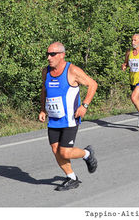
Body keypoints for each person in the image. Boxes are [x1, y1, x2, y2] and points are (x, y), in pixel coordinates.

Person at [39, 42, 98, 191]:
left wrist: (84, 105)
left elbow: (93, 84)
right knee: (55, 150)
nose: (48, 57)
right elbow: (44, 91)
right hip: (53, 118)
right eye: (47, 54)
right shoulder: (45, 71)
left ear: (62, 55)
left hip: (70, 118)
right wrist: (43, 110)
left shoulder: (72, 70)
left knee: (64, 151)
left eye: (52, 54)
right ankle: (71, 178)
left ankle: (87, 153)